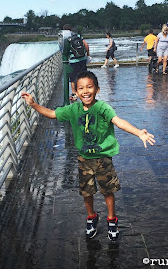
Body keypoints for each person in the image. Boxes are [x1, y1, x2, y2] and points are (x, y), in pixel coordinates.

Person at [21, 71, 155, 242]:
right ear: (75, 92)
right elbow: (52, 114)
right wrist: (33, 104)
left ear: (97, 89)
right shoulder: (73, 109)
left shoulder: (102, 108)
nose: (85, 91)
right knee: (87, 192)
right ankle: (91, 217)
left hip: (103, 158)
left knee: (108, 190)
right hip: (84, 158)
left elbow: (118, 121)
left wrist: (139, 133)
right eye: (81, 88)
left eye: (89, 87)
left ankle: (112, 220)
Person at [62, 24, 90, 102]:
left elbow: (64, 50)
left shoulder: (66, 38)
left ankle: (74, 94)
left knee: (73, 79)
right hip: (82, 59)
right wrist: (88, 55)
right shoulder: (77, 36)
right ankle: (85, 92)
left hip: (73, 61)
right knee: (83, 77)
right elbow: (86, 45)